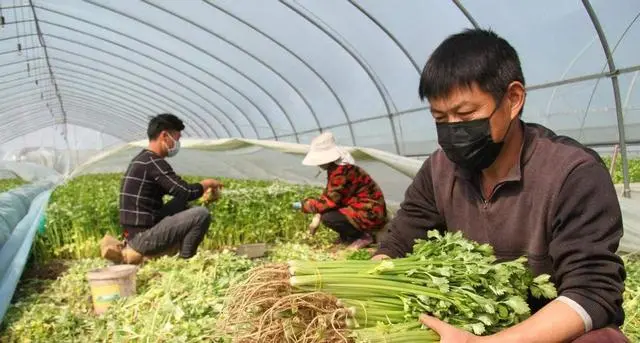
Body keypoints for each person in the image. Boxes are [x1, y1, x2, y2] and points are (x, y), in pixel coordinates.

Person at [373, 29, 628, 342]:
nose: (453, 130)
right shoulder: (439, 170)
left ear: (513, 99)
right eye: (440, 118)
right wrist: (371, 283)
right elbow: (399, 243)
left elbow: (592, 292)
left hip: (546, 331)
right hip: (470, 319)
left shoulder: (572, 173)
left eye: (466, 113)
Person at [112, 113, 221, 264]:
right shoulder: (153, 162)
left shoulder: (143, 159)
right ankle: (186, 262)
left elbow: (179, 192)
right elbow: (186, 191)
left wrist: (203, 194)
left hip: (134, 232)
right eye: (177, 138)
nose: (177, 143)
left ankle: (178, 252)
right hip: (141, 237)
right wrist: (207, 183)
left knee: (181, 203)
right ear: (164, 136)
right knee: (201, 215)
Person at [293, 132, 387, 250]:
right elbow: (332, 195)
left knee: (330, 218)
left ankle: (363, 236)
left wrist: (304, 205)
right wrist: (317, 215)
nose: (318, 164)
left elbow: (330, 202)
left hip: (371, 211)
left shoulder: (341, 172)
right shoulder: (337, 169)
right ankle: (347, 238)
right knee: (331, 213)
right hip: (367, 207)